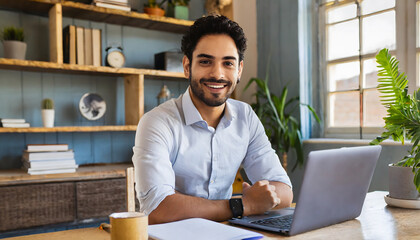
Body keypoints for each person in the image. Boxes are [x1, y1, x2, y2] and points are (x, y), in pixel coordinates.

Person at [132, 15, 293, 224]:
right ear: (187, 66)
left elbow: (284, 191)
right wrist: (244, 205)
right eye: (206, 61)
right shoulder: (157, 122)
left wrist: (252, 202)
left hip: (228, 233)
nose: (217, 74)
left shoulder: (246, 117)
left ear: (239, 70)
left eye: (228, 63)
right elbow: (157, 209)